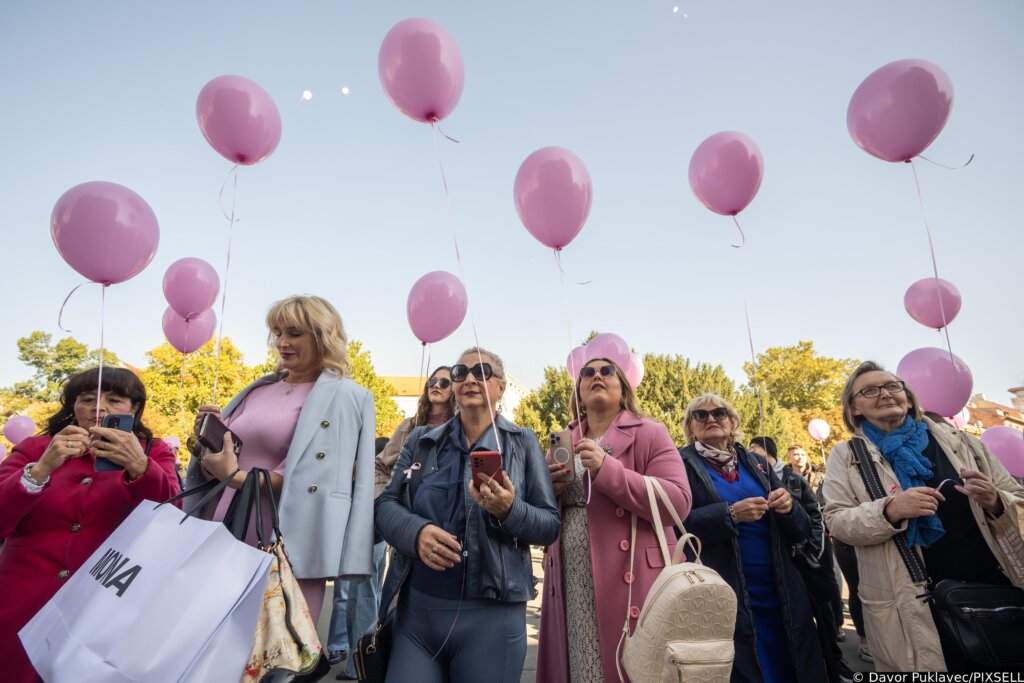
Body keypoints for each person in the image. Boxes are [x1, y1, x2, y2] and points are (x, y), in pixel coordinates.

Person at [184, 295, 376, 631]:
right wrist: (211, 440)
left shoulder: (347, 396)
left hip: (285, 537)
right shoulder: (258, 389)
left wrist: (235, 476)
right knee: (206, 641)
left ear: (322, 336)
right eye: (277, 333)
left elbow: (312, 476)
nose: (282, 343)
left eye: (294, 333)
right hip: (224, 524)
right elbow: (232, 452)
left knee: (269, 652)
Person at [823, 361, 1024, 672]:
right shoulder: (846, 456)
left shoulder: (962, 442)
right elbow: (837, 521)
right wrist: (889, 511)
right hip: (911, 605)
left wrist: (996, 501)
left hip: (989, 591)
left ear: (908, 396)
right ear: (854, 407)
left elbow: (1018, 500)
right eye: (871, 390)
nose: (886, 394)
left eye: (893, 386)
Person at [375, 347, 560, 683]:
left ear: (501, 388)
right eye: (460, 373)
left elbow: (549, 526)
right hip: (417, 616)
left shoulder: (523, 442)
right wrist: (415, 534)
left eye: (483, 372)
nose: (470, 378)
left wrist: (509, 510)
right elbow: (385, 507)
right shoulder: (420, 440)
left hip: (492, 620)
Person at [0, 367, 180, 683]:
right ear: (73, 407)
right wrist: (41, 469)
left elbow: (172, 514)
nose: (99, 407)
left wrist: (138, 465)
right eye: (87, 398)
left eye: (114, 399)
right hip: (22, 603)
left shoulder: (154, 451)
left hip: (105, 607)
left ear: (134, 408)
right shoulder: (35, 448)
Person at [537, 358, 692, 683]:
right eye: (587, 373)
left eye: (606, 371)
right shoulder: (561, 442)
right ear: (578, 393)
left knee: (631, 669)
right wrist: (550, 492)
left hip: (633, 582)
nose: (596, 376)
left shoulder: (650, 432)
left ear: (623, 388)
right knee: (582, 667)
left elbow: (678, 501)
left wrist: (608, 470)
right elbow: (543, 515)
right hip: (572, 585)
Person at [678, 393, 824, 682]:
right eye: (700, 415)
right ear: (690, 427)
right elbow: (676, 525)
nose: (711, 419)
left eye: (719, 413)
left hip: (779, 589)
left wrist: (788, 507)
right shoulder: (681, 464)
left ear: (732, 423)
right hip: (725, 592)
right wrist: (728, 514)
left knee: (793, 664)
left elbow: (801, 529)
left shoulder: (757, 463)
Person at [749, 437, 852, 683]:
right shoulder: (753, 477)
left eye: (756, 450)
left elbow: (814, 514)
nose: (752, 453)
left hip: (806, 556)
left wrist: (815, 548)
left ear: (768, 452)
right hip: (781, 561)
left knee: (821, 610)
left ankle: (835, 662)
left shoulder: (792, 479)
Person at [326, 435, 393, 680]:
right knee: (371, 598)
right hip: (378, 539)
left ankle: (358, 664)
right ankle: (367, 657)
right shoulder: (387, 478)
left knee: (360, 602)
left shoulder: (369, 479)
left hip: (364, 540)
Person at [375, 366, 456, 496]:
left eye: (444, 383)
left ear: (455, 390)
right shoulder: (409, 425)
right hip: (400, 509)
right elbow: (380, 465)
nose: (436, 385)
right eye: (432, 381)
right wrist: (383, 499)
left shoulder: (458, 430)